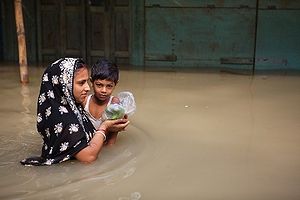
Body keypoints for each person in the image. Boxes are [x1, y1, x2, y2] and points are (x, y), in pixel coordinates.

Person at [20, 58, 129, 166]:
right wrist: (104, 127)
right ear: (64, 84)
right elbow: (88, 158)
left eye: (86, 82)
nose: (87, 88)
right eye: (81, 83)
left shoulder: (72, 107)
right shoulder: (64, 121)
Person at [83, 58, 121, 145]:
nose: (104, 90)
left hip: (103, 145)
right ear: (91, 82)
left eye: (109, 86)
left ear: (116, 84)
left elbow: (112, 138)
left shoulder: (114, 104)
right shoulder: (85, 101)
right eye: (99, 85)